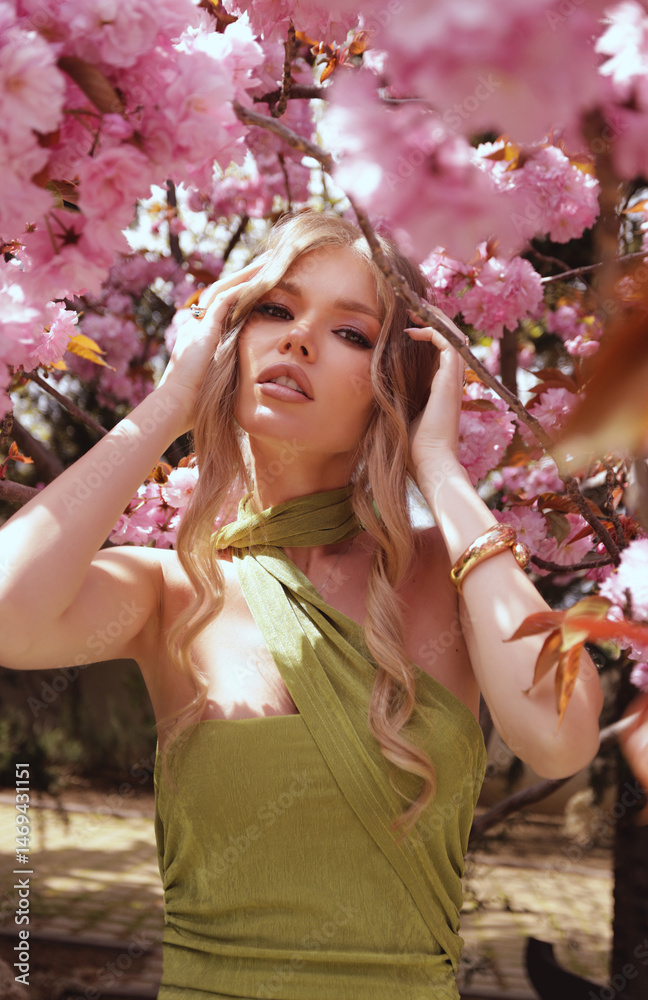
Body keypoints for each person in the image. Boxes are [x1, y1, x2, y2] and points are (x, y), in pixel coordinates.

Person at [0, 210, 603, 999]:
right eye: (275, 311)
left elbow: (558, 739)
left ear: (394, 387)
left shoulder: (453, 577)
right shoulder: (170, 587)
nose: (298, 340)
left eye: (351, 333)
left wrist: (439, 468)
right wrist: (170, 403)